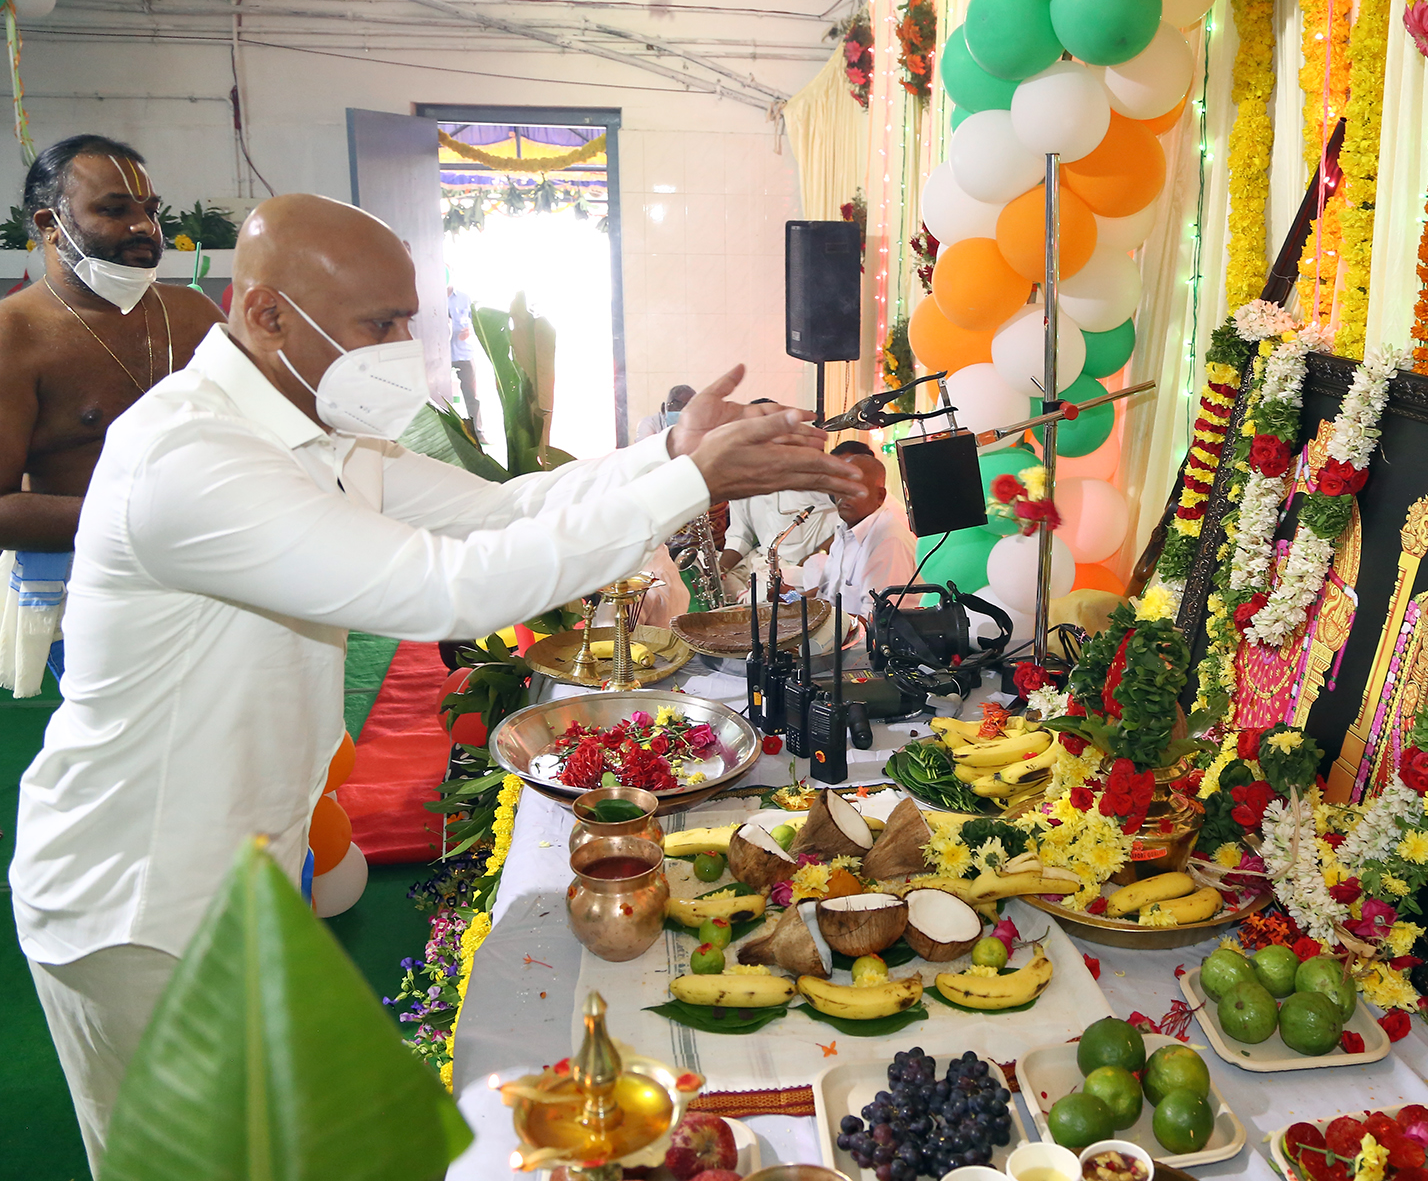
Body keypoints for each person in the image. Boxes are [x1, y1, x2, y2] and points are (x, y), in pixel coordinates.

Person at [8, 192, 866, 1172]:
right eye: (379, 325)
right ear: (267, 314)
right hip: (135, 899)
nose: (402, 350)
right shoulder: (191, 459)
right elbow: (447, 589)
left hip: (234, 873)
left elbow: (501, 510)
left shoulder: (317, 430)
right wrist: (690, 486)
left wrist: (670, 454)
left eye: (410, 319)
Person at [0, 134, 224, 695]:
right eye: (114, 209)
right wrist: (144, 523)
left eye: (149, 210)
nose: (146, 227)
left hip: (219, 574)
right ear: (51, 223)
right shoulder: (12, 336)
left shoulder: (193, 312)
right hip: (95, 597)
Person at [718, 397, 839, 597]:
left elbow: (851, 517)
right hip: (766, 569)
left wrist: (816, 556)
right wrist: (720, 570)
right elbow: (740, 535)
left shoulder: (809, 470)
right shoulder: (740, 480)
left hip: (809, 574)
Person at [814, 440, 917, 621]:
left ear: (880, 496)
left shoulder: (888, 541)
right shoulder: (845, 530)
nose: (843, 496)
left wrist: (815, 622)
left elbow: (875, 623)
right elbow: (825, 595)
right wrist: (790, 601)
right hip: (838, 639)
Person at [447, 280, 480, 439]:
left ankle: (478, 433)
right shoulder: (431, 299)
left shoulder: (464, 298)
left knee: (472, 395)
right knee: (442, 397)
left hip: (464, 353)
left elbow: (476, 323)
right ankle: (449, 435)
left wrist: (470, 331)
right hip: (441, 356)